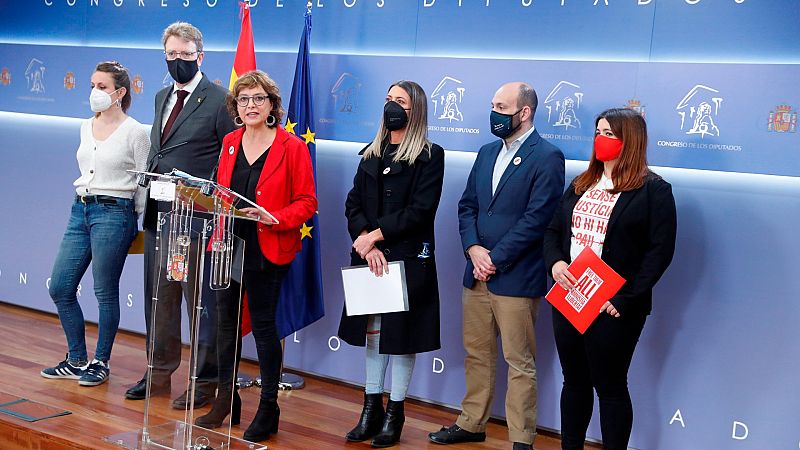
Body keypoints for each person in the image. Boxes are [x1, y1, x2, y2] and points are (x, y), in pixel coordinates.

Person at [429, 82, 565, 450]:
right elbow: (468, 206)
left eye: (502, 107)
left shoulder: (548, 156)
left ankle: (522, 438)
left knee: (519, 361)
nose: (494, 113)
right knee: (477, 353)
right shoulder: (487, 151)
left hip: (516, 277)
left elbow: (539, 218)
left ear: (525, 112)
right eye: (493, 105)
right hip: (476, 274)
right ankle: (472, 422)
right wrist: (473, 248)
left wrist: (495, 258)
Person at [543, 108, 677, 450]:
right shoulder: (581, 184)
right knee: (574, 382)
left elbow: (659, 253)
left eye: (609, 134)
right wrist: (556, 263)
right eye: (598, 132)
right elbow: (554, 231)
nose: (600, 140)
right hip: (570, 296)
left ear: (629, 141)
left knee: (611, 386)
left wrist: (624, 299)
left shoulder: (653, 191)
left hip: (613, 306)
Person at [194, 70, 316, 442]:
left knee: (263, 328)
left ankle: (268, 407)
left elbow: (308, 202)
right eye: (243, 99)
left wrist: (275, 217)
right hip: (227, 243)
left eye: (258, 99)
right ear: (236, 105)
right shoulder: (230, 141)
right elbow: (223, 192)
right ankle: (226, 399)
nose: (250, 105)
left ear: (271, 104)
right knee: (224, 325)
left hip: (267, 247)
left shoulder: (291, 146)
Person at [125, 22, 236, 408]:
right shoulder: (160, 96)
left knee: (199, 305)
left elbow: (230, 161)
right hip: (158, 216)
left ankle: (203, 381)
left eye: (185, 56)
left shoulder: (221, 99)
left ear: (200, 57)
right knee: (160, 299)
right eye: (170, 55)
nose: (177, 62)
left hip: (197, 222)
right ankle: (157, 372)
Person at [339, 80, 444, 448]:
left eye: (399, 101)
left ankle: (395, 411)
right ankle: (370, 407)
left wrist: (377, 235)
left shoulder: (431, 155)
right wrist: (366, 242)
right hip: (371, 258)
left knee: (401, 337)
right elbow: (353, 204)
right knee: (373, 333)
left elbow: (420, 210)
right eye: (388, 99)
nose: (391, 106)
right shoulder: (372, 151)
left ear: (415, 110)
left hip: (407, 258)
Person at [41, 61, 148, 386]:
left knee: (104, 290)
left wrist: (133, 221)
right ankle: (76, 359)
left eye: (102, 87)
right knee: (60, 285)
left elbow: (143, 182)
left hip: (116, 213)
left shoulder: (136, 131)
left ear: (120, 92)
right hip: (81, 210)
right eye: (92, 85)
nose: (94, 92)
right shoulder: (85, 126)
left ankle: (100, 361)